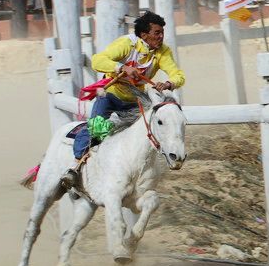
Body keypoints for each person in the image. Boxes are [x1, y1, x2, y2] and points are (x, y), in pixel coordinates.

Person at [62, 11, 185, 188]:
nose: (161, 37)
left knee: (147, 134)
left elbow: (178, 75)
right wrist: (122, 67)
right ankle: (74, 169)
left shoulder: (163, 51)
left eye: (162, 33)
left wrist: (168, 83)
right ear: (144, 35)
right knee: (96, 129)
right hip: (110, 95)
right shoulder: (127, 44)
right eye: (157, 33)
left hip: (135, 101)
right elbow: (98, 60)